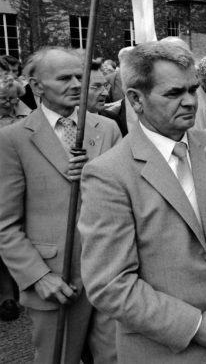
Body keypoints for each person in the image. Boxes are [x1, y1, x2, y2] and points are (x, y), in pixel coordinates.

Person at [78, 40, 206, 363]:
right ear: (135, 99)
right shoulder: (108, 173)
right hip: (171, 348)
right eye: (173, 93)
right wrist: (195, 325)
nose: (189, 102)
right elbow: (109, 285)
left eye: (192, 89)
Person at [0, 47, 121, 364]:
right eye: (65, 78)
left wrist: (98, 175)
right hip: (57, 280)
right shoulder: (13, 139)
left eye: (80, 77)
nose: (76, 84)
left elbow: (128, 196)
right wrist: (38, 276)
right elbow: (5, 225)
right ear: (37, 86)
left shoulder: (106, 128)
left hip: (112, 273)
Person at [0, 72, 25, 321]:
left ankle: (11, 293)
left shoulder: (24, 112)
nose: (9, 103)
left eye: (12, 99)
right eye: (3, 100)